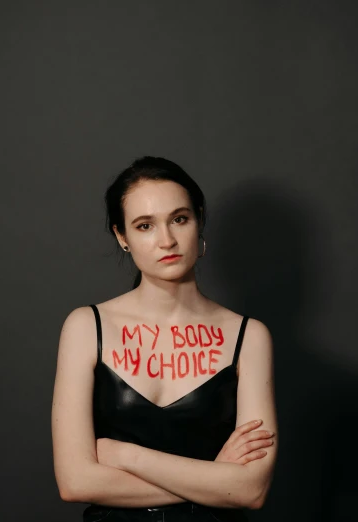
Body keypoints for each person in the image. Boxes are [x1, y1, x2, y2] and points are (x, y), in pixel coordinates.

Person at [51, 156, 278, 521]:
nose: (167, 240)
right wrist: (215, 479)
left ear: (199, 220)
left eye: (179, 219)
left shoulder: (248, 336)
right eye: (144, 226)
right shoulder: (85, 327)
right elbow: (76, 482)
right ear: (121, 236)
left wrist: (127, 456)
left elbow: (250, 490)